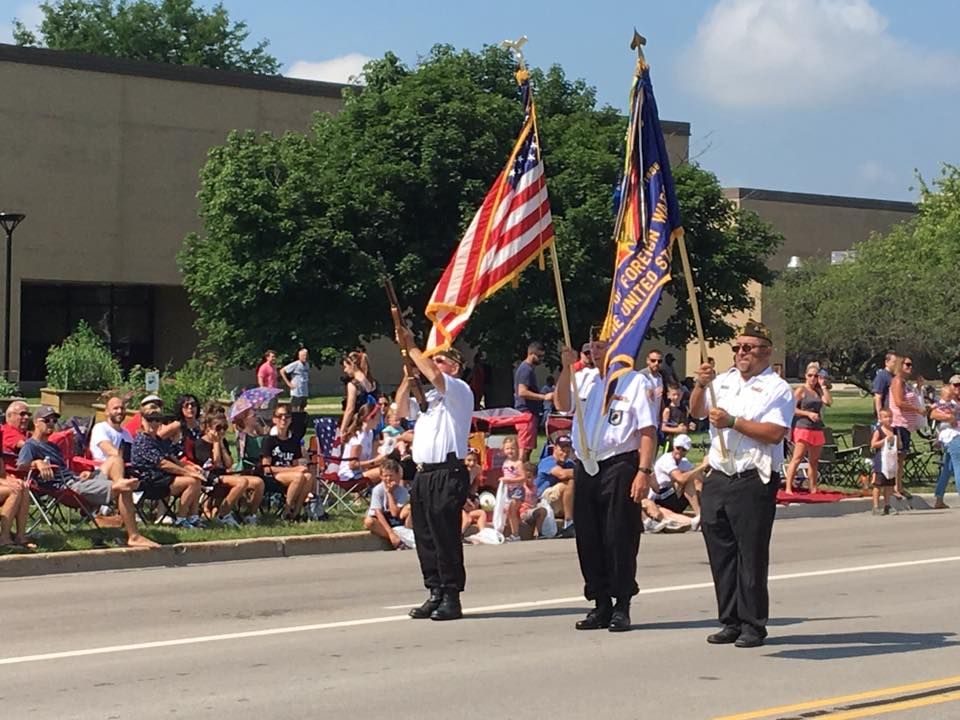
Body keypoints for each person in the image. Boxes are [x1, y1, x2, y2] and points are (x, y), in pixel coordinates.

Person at [689, 320, 794, 648]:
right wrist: (699, 386)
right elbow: (696, 413)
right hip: (720, 474)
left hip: (753, 478)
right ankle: (730, 620)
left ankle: (753, 624)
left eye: (747, 348)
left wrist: (734, 422)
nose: (740, 353)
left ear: (766, 351)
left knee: (750, 555)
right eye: (737, 348)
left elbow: (775, 433)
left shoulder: (777, 388)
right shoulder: (723, 382)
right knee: (721, 553)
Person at [554, 336, 658, 633]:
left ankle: (622, 604)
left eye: (600, 346)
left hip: (619, 463)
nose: (594, 352)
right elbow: (562, 403)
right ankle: (600, 603)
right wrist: (565, 369)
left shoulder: (634, 382)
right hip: (587, 465)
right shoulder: (584, 380)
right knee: (588, 538)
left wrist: (644, 471)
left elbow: (648, 430)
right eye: (591, 347)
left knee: (619, 536)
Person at [394, 326, 474, 622]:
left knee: (445, 536)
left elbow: (437, 377)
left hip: (447, 472)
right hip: (424, 475)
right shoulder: (428, 399)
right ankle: (435, 591)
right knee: (425, 536)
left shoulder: (459, 392)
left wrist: (412, 346)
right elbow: (401, 411)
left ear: (454, 366)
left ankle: (452, 596)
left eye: (439, 360)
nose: (433, 365)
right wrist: (406, 379)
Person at [23, 405, 156, 547]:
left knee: (115, 460)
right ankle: (133, 535)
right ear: (36, 422)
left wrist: (85, 473)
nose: (51, 423)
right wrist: (36, 462)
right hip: (67, 488)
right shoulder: (30, 445)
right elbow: (21, 467)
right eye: (47, 420)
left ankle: (117, 500)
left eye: (54, 421)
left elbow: (66, 470)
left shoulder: (53, 446)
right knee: (124, 487)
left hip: (76, 480)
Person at [130, 403, 204, 528]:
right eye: (150, 419)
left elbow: (173, 459)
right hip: (148, 482)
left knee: (197, 478)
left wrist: (189, 468)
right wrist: (187, 473)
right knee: (192, 481)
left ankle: (193, 517)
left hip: (162, 479)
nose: (154, 423)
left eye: (157, 419)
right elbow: (162, 464)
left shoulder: (159, 440)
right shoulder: (142, 441)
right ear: (142, 420)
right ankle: (181, 519)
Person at [193, 414, 265, 526]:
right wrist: (216, 443)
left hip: (224, 475)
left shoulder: (223, 441)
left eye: (224, 428)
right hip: (209, 477)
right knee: (242, 482)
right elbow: (215, 464)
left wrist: (221, 444)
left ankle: (250, 514)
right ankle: (223, 515)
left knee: (258, 482)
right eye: (218, 428)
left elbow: (228, 464)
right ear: (208, 428)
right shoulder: (200, 443)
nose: (222, 431)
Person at [783, 362, 833, 494]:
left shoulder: (818, 391)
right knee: (797, 457)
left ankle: (813, 486)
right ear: (805, 376)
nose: (813, 378)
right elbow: (791, 409)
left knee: (814, 460)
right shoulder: (801, 390)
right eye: (810, 375)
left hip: (816, 428)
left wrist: (823, 386)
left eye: (815, 376)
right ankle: (788, 487)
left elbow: (828, 402)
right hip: (803, 426)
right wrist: (807, 413)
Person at [260, 403, 313, 521]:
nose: (283, 419)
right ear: (274, 419)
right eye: (280, 416)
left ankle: (296, 512)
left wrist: (299, 466)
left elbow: (295, 463)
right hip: (274, 475)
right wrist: (293, 470)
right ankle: (287, 511)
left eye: (287, 416)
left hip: (291, 474)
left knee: (308, 476)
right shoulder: (269, 441)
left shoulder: (293, 441)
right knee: (299, 476)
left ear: (290, 420)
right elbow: (266, 467)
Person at [889, 355, 924, 500]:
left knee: (902, 456)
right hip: (898, 423)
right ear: (899, 366)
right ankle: (893, 487)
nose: (910, 367)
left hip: (907, 425)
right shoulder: (897, 381)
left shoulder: (905, 382)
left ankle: (899, 486)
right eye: (907, 365)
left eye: (911, 365)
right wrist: (916, 410)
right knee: (897, 456)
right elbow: (899, 402)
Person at [514, 341, 553, 463]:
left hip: (529, 413)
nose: (541, 359)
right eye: (539, 356)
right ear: (531, 354)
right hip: (526, 413)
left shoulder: (528, 369)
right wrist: (544, 397)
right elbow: (522, 392)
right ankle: (521, 473)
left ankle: (524, 471)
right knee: (525, 448)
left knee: (528, 448)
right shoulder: (526, 369)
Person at [650, 433, 701, 525]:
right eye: (678, 448)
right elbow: (680, 478)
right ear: (673, 447)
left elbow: (699, 478)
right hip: (660, 496)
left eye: (684, 450)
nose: (680, 451)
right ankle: (699, 515)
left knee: (697, 481)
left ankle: (703, 515)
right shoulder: (666, 459)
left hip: (673, 497)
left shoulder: (685, 462)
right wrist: (701, 467)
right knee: (687, 480)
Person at [363, 459, 412, 549]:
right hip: (382, 519)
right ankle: (397, 540)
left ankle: (408, 533)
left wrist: (390, 493)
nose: (388, 479)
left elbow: (394, 513)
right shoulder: (377, 490)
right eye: (385, 476)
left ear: (398, 476)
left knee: (410, 508)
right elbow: (378, 512)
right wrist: (391, 534)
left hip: (396, 519)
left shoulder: (402, 491)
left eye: (391, 476)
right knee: (368, 522)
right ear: (381, 476)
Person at [536, 435, 575, 537]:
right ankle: (569, 523)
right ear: (555, 448)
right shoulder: (547, 461)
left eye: (567, 451)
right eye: (562, 450)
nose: (565, 453)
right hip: (542, 500)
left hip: (558, 502)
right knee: (570, 483)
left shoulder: (570, 463)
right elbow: (562, 474)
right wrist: (583, 471)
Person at [931, 377, 960, 509]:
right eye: (956, 385)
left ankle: (939, 498)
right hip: (953, 436)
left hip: (950, 437)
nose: (958, 388)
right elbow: (933, 414)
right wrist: (949, 417)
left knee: (947, 469)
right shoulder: (947, 401)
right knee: (958, 467)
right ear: (950, 386)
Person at [338, 351, 378, 440]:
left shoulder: (353, 384)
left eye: (346, 367)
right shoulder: (372, 382)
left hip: (358, 424)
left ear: (352, 365)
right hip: (372, 421)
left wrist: (343, 429)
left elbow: (350, 409)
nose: (345, 370)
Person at [89, 395, 134, 466]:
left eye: (122, 408)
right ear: (107, 412)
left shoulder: (126, 433)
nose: (120, 411)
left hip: (126, 469)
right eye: (115, 408)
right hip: (103, 472)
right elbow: (110, 451)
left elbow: (132, 453)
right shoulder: (100, 428)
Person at [870, 408, 898, 515]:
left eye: (890, 416)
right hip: (881, 460)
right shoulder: (879, 430)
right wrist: (885, 440)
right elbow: (873, 444)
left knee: (889, 485)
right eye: (886, 417)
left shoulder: (894, 430)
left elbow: (898, 444)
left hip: (891, 460)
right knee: (878, 484)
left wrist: (896, 441)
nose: (889, 419)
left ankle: (887, 505)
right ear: (880, 419)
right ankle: (876, 507)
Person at [159, 394, 202, 463]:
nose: (190, 407)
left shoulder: (201, 425)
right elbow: (156, 438)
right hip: (181, 464)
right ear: (180, 408)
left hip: (199, 462)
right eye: (186, 405)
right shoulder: (177, 425)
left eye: (193, 404)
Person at [280, 348, 311, 413]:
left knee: (303, 407)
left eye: (306, 355)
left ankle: (301, 420)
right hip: (296, 390)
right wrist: (289, 384)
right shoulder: (295, 364)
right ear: (299, 356)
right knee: (295, 408)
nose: (305, 357)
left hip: (304, 390)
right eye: (303, 355)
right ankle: (294, 420)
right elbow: (282, 371)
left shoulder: (307, 365)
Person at [872, 352, 898, 419]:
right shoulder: (882, 376)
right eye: (894, 362)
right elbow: (878, 397)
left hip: (896, 414)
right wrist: (880, 415)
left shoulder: (895, 376)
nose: (896, 365)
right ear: (887, 362)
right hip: (887, 415)